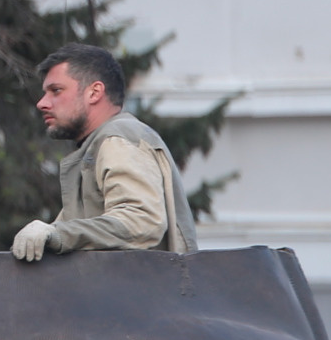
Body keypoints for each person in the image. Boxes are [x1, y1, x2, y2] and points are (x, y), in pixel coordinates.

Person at [13, 43, 197, 261]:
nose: (42, 103)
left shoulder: (116, 139)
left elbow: (142, 221)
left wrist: (58, 234)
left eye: (56, 91)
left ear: (94, 92)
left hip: (143, 291)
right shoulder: (97, 146)